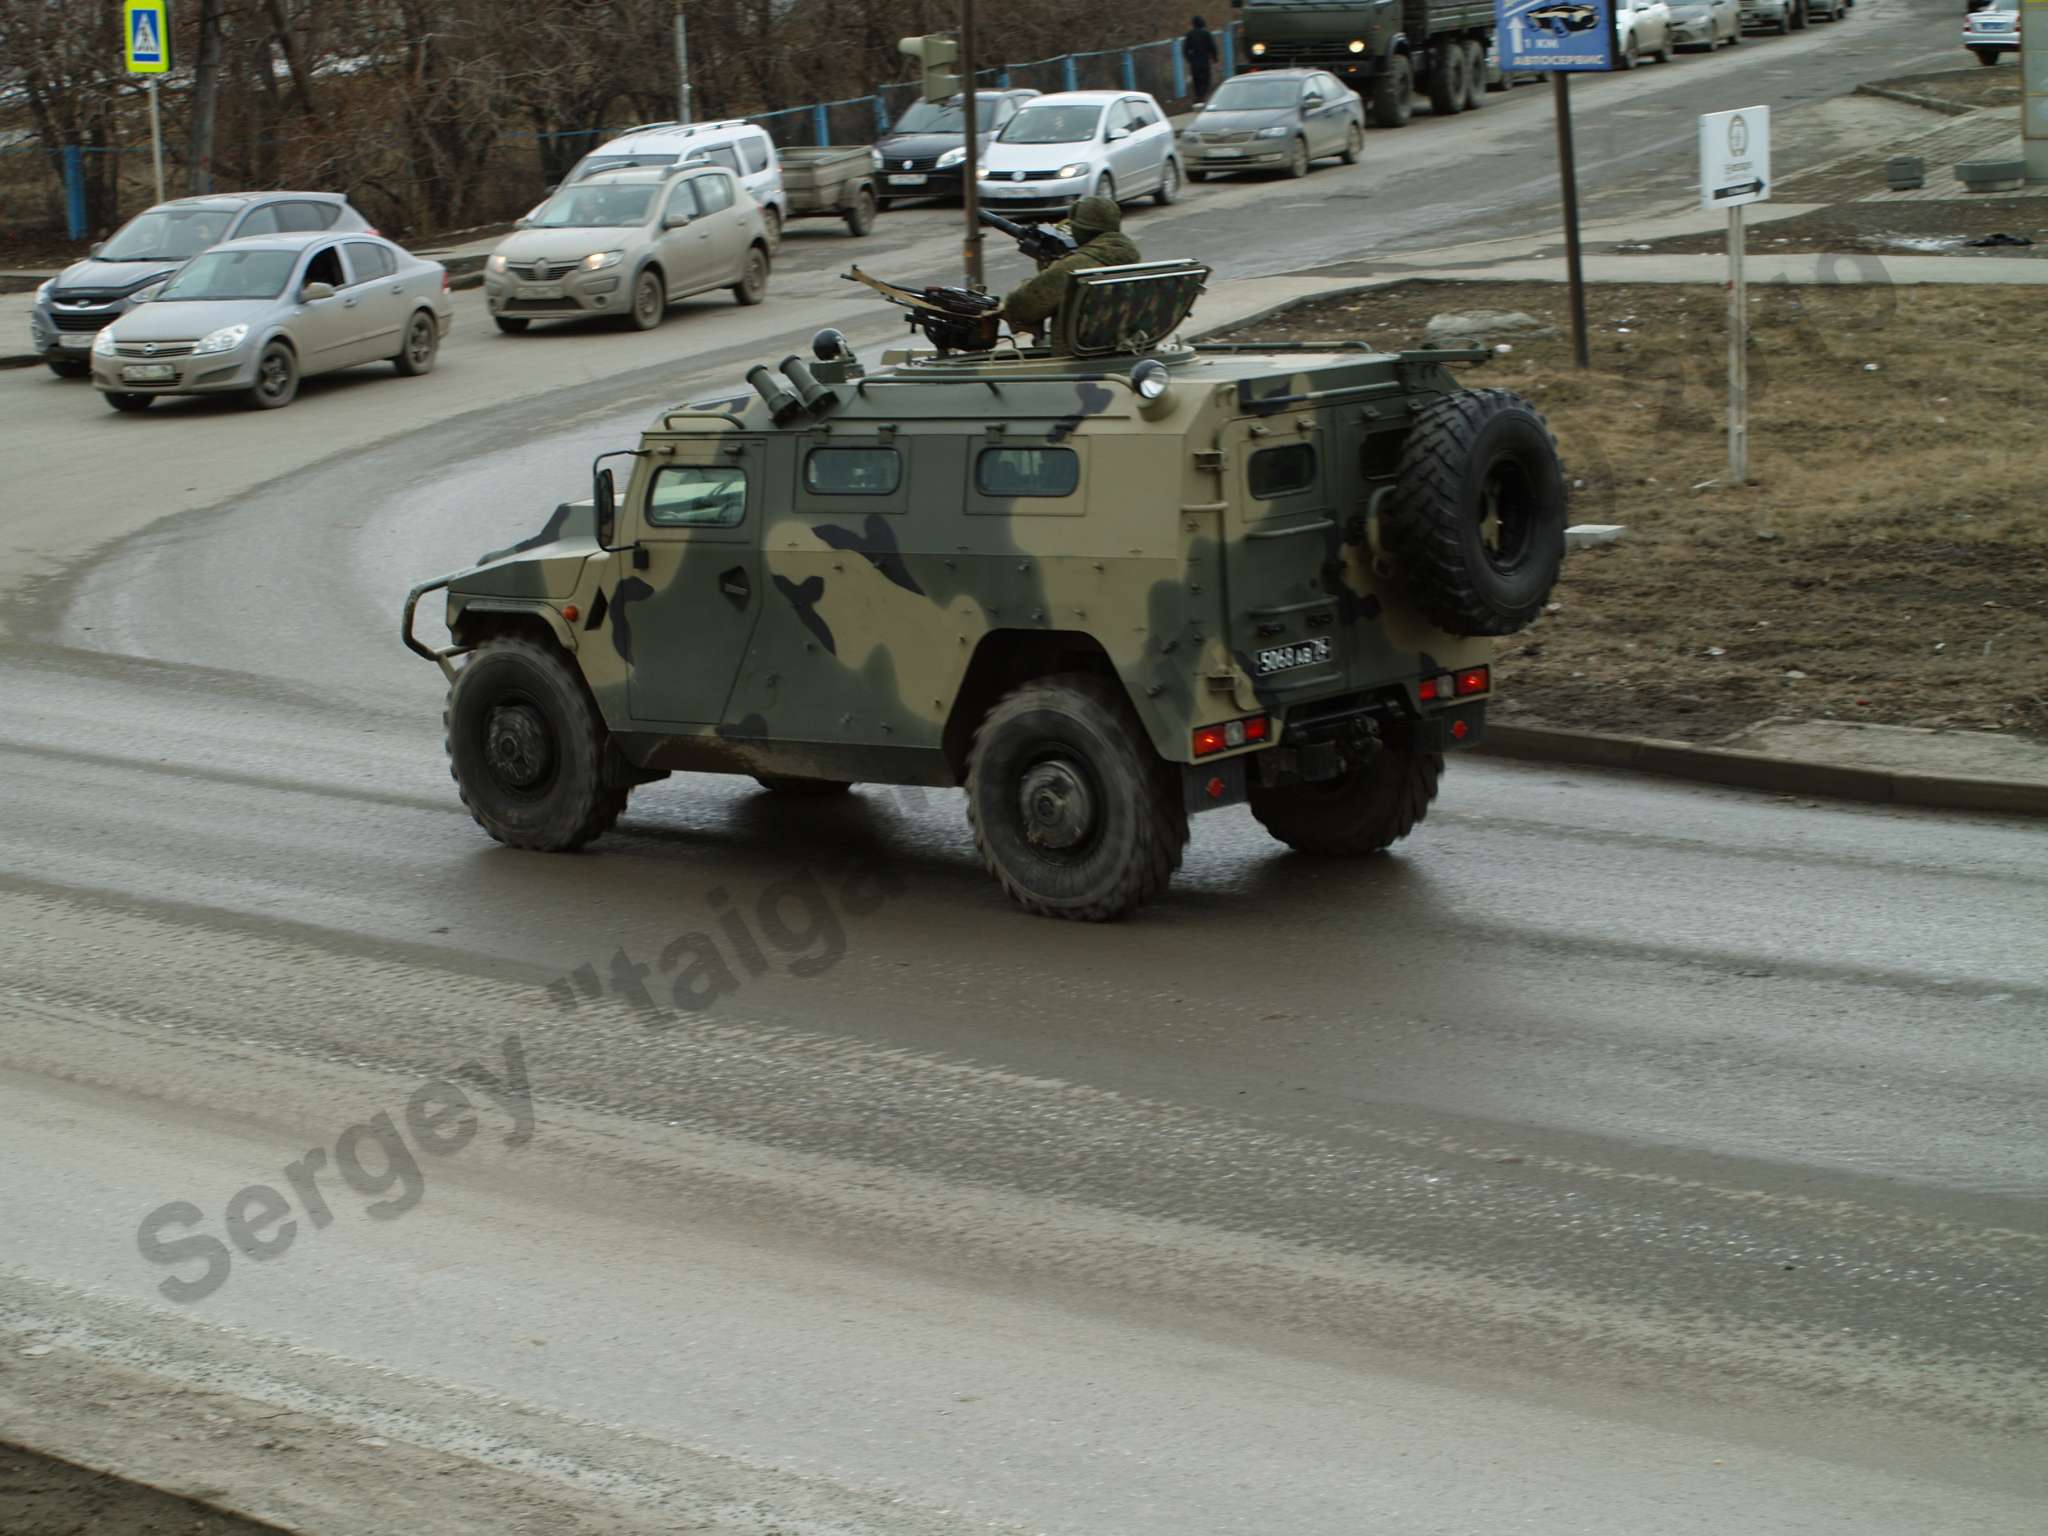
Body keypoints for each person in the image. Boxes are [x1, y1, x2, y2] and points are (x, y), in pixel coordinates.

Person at [998, 196, 1141, 338]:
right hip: (1125, 344)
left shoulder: (1074, 268)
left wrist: (1052, 268)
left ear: (1078, 230)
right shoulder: (1130, 257)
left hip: (1079, 354)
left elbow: (1020, 307)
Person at [1182, 16, 1219, 106]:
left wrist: (1189, 59)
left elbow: (1185, 49)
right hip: (1205, 61)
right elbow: (1212, 47)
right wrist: (1215, 59)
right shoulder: (1206, 34)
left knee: (1196, 80)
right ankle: (1204, 95)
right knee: (1206, 79)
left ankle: (1199, 97)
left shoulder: (1189, 35)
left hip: (1194, 62)